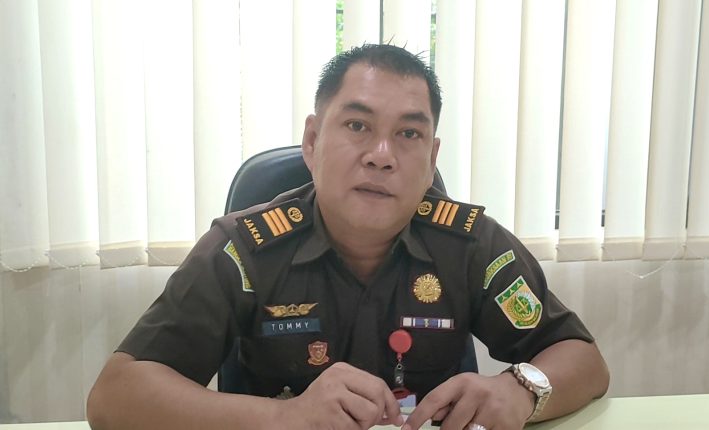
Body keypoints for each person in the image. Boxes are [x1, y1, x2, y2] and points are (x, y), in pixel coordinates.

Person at [87, 44, 609, 430]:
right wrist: (284, 418)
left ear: (431, 159)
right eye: (358, 126)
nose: (382, 155)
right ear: (313, 141)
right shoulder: (242, 250)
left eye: (409, 133)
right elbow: (115, 396)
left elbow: (582, 359)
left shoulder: (470, 245)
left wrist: (521, 390)